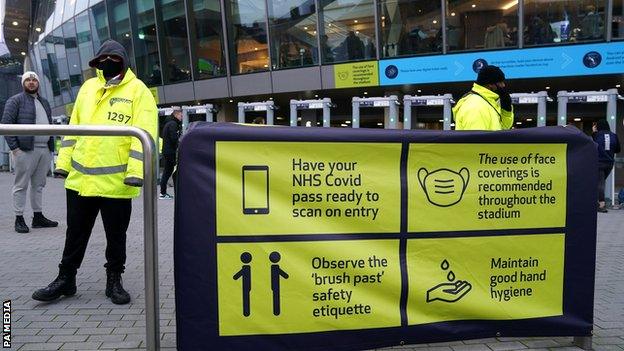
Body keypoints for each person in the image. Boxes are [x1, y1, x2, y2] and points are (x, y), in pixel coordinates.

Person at [31, 40, 158, 305]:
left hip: (116, 181)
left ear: (123, 60)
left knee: (116, 236)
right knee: (75, 233)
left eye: (112, 58)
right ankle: (66, 279)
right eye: (102, 58)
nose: (106, 62)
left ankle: (114, 281)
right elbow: (73, 128)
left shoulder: (139, 91)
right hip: (81, 179)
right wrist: (63, 163)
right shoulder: (88, 88)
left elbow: (145, 134)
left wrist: (137, 172)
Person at [1, 71, 58, 233]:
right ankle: (19, 218)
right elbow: (6, 125)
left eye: (34, 80)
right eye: (28, 80)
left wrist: (50, 147)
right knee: (21, 185)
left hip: (44, 149)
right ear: (23, 83)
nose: (32, 82)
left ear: (38, 83)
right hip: (25, 150)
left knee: (39, 185)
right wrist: (15, 148)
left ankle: (38, 217)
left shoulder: (45, 102)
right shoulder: (15, 101)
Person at [453, 65, 514, 131]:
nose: (503, 85)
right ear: (490, 84)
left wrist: (506, 111)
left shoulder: (486, 102)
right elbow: (477, 139)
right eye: (500, 82)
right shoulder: (476, 107)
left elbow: (502, 129)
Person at [593, 120, 621, 213]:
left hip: (598, 162)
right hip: (609, 163)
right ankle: (598, 202)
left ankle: (602, 205)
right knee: (600, 182)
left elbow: (592, 146)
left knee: (600, 183)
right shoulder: (614, 135)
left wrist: (593, 132)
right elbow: (618, 149)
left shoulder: (597, 135)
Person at [159, 108, 182, 199]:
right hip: (170, 152)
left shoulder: (169, 123)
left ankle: (163, 192)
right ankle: (164, 193)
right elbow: (174, 139)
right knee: (171, 172)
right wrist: (179, 142)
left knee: (167, 172)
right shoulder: (173, 124)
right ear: (176, 114)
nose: (181, 117)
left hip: (167, 151)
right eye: (180, 115)